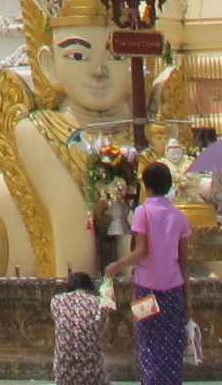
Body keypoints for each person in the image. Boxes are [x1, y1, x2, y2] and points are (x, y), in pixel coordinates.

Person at [111, 161, 190, 385]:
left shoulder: (142, 212)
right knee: (172, 349)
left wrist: (116, 266)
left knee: (147, 346)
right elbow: (184, 262)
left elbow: (141, 251)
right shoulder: (179, 217)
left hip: (146, 290)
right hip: (174, 292)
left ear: (147, 186)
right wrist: (188, 299)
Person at [50, 270, 110, 385]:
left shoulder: (56, 301)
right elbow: (102, 333)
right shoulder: (99, 303)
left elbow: (57, 323)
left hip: (64, 370)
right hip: (93, 370)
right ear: (90, 287)